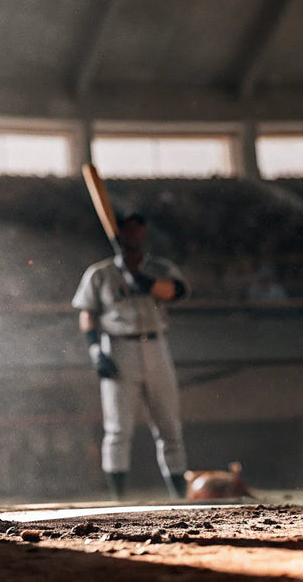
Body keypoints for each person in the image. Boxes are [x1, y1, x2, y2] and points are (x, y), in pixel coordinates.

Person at [71, 212, 190, 500]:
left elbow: (178, 291)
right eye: (128, 229)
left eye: (138, 229)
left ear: (144, 233)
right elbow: (87, 313)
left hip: (155, 345)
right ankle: (118, 499)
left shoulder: (159, 267)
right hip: (118, 346)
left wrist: (143, 280)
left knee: (169, 426)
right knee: (117, 429)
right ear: (118, 232)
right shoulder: (100, 273)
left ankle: (179, 497)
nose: (134, 234)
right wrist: (95, 350)